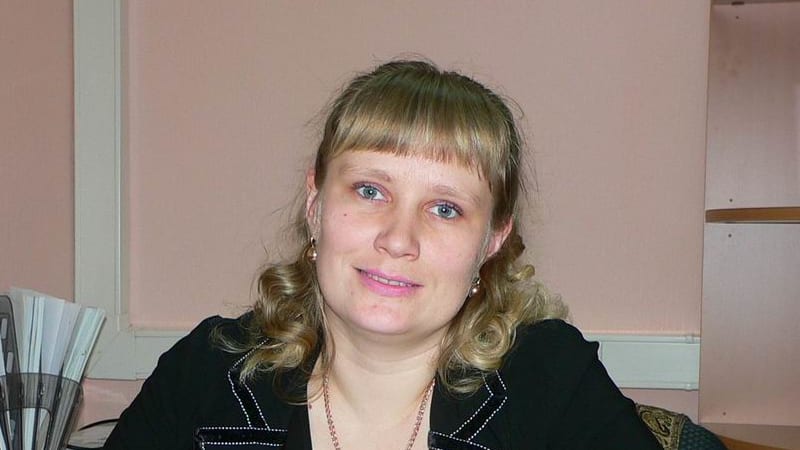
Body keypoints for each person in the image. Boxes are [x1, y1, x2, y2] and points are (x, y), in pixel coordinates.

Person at [103, 60, 662, 450]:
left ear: (492, 241)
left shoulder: (551, 381)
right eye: (370, 191)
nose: (398, 239)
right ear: (316, 204)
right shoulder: (205, 373)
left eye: (445, 208)